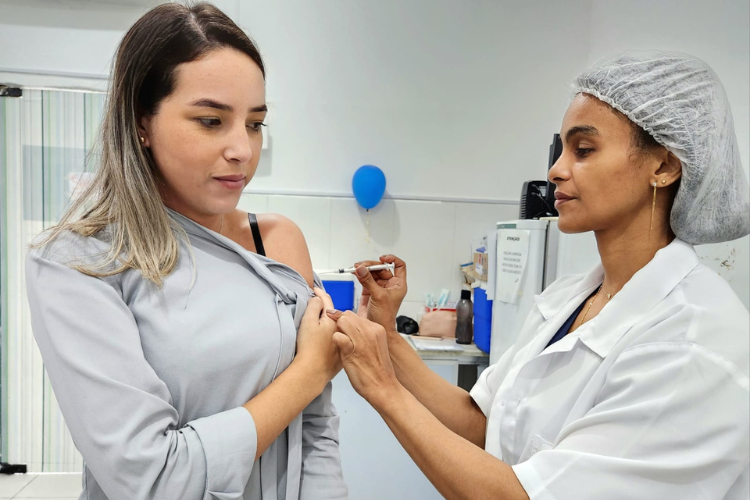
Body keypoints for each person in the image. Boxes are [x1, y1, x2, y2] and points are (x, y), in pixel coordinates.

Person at [326, 51, 750, 500]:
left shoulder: (693, 346)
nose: (555, 170)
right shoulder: (572, 297)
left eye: (583, 150)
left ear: (663, 166)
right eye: (563, 148)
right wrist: (387, 335)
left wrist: (382, 389)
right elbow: (480, 421)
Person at [25, 3, 347, 499]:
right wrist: (307, 374)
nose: (242, 148)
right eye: (211, 120)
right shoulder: (80, 260)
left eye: (255, 123)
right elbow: (151, 479)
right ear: (142, 123)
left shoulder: (278, 240)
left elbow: (317, 430)